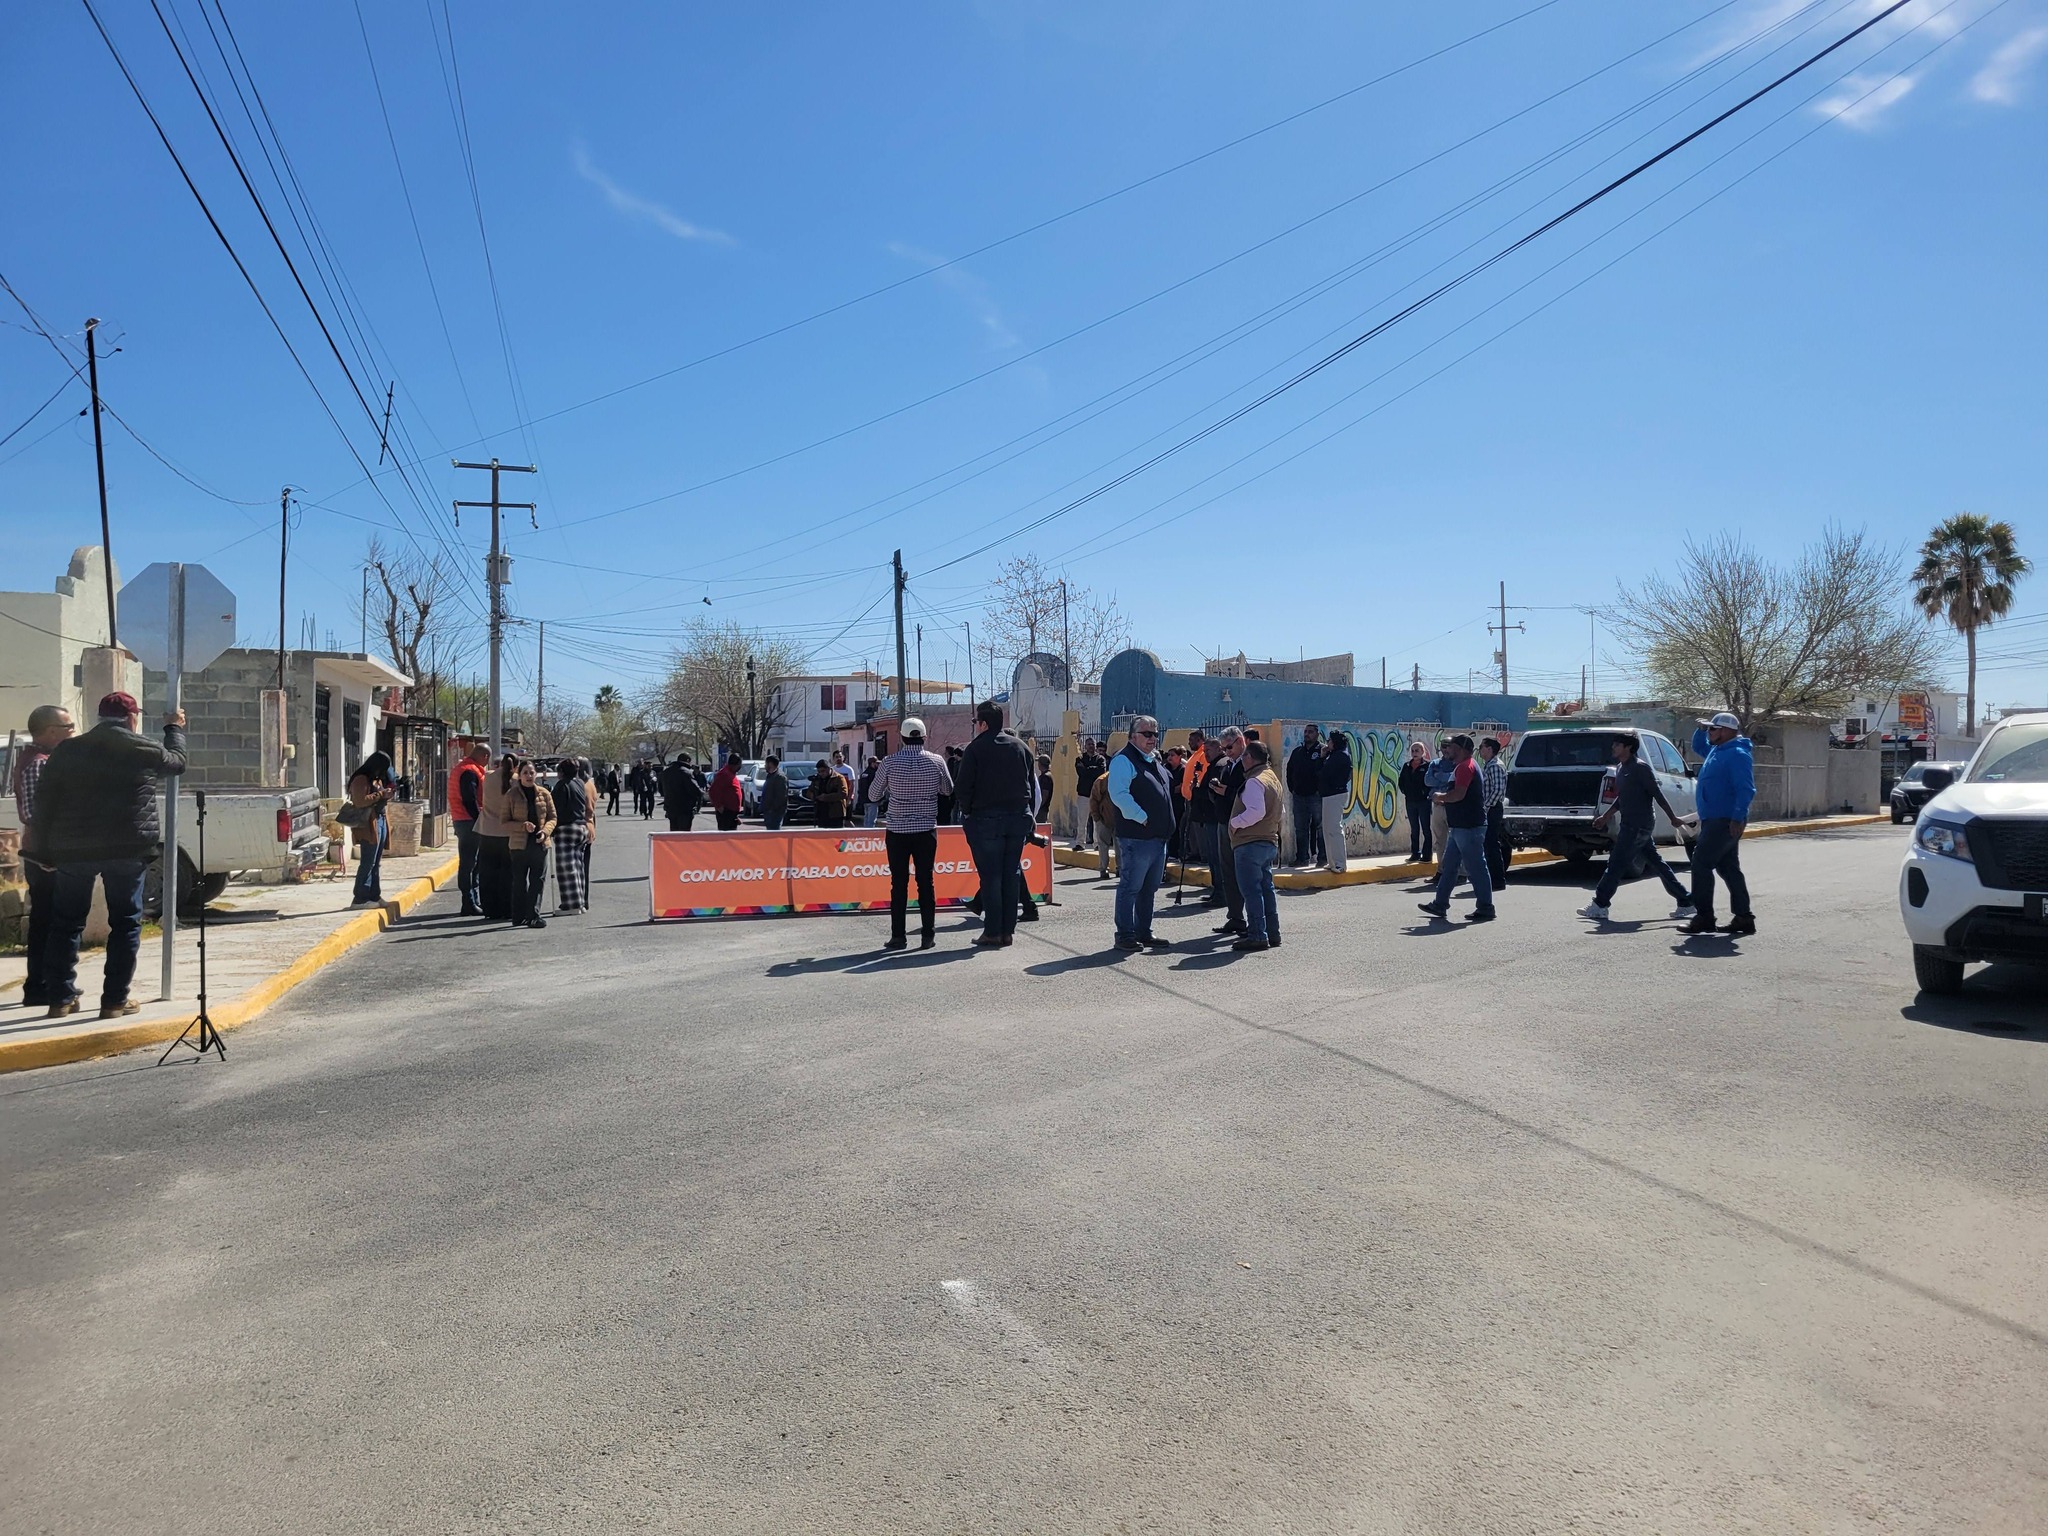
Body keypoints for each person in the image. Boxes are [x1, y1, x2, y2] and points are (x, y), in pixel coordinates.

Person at [32, 692, 187, 1020]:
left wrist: (42, 850)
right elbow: (177, 762)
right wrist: (174, 728)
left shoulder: (67, 750)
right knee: (126, 923)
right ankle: (115, 1000)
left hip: (74, 850)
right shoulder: (142, 748)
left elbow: (45, 803)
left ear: (99, 718)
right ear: (132, 719)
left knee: (66, 923)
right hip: (127, 849)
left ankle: (60, 998)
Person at [1581, 735, 1695, 924]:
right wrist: (1606, 816)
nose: (1613, 747)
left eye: (1617, 744)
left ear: (1628, 747)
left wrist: (1673, 818)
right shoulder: (1620, 768)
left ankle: (1600, 905)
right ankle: (1686, 901)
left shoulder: (1640, 768)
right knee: (1656, 863)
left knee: (1616, 863)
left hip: (1639, 825)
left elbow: (1657, 794)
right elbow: (1622, 798)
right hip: (1630, 823)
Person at [953, 700, 1035, 949]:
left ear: (983, 723)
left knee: (990, 877)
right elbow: (1030, 783)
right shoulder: (1021, 747)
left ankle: (992, 931)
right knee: (1011, 874)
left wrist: (967, 813)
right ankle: (1007, 931)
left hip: (986, 820)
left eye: (977, 722)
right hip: (1018, 818)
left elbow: (963, 787)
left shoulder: (976, 748)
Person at [868, 717, 953, 950]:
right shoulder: (936, 761)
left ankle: (898, 937)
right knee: (926, 882)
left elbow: (873, 795)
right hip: (926, 830)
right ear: (924, 737)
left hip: (897, 831)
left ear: (903, 738)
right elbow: (947, 789)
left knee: (899, 883)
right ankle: (928, 935)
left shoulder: (889, 762)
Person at [11, 703, 76, 1008]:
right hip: (45, 856)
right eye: (68, 727)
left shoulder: (45, 759)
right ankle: (41, 985)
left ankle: (41, 983)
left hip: (46, 852)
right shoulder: (39, 763)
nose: (72, 732)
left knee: (47, 921)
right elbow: (34, 813)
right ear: (51, 732)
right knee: (49, 922)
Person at [1106, 715, 1175, 951]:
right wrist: (1143, 818)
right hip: (1137, 837)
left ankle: (1144, 931)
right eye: (1147, 734)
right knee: (1131, 887)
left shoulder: (1153, 761)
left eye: (1155, 734)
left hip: (1158, 838)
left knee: (1149, 889)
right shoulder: (1123, 761)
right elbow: (1119, 795)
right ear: (1133, 736)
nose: (1153, 738)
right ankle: (1125, 934)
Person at [1686, 712, 1757, 936]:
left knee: (1700, 864)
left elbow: (1745, 788)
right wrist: (1700, 729)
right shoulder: (1717, 750)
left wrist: (1738, 816)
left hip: (1725, 820)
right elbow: (1698, 746)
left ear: (1726, 731)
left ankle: (1704, 916)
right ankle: (1743, 918)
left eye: (1713, 729)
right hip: (1714, 819)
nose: (1710, 733)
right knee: (1728, 868)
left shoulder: (1736, 754)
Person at [1417, 734, 1495, 924]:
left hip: (1468, 827)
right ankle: (1440, 904)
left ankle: (1486, 908)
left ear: (1461, 749)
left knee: (1476, 867)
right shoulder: (1462, 766)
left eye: (1451, 747)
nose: (1447, 750)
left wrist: (1440, 796)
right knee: (1450, 867)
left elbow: (1458, 794)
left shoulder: (1466, 767)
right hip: (1460, 827)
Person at [1228, 739, 1284, 952]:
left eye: (1243, 757)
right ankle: (1272, 932)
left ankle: (1257, 934)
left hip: (1249, 843)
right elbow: (1281, 811)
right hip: (1268, 841)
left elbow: (1256, 812)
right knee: (1266, 889)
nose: (1242, 761)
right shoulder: (1272, 778)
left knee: (1251, 891)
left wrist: (1235, 823)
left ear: (1250, 758)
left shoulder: (1254, 781)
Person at [1196, 728, 1247, 930]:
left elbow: (1251, 793)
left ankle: (1255, 924)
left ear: (1240, 741)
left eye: (1230, 747)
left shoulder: (1250, 762)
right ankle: (1235, 917)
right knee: (1228, 873)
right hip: (1224, 821)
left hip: (1242, 826)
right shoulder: (1229, 764)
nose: (1227, 752)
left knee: (1244, 874)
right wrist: (1217, 791)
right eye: (1225, 748)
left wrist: (1227, 791)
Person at [502, 758, 555, 928]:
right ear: (519, 775)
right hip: (519, 845)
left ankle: (533, 915)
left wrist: (545, 831)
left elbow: (552, 818)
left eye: (532, 772)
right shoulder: (511, 795)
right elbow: (504, 822)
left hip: (539, 844)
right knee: (519, 881)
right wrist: (522, 826)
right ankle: (518, 916)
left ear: (536, 774)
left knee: (537, 880)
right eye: (525, 773)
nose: (529, 776)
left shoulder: (544, 794)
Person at [345, 751, 396, 907]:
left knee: (375, 863)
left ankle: (374, 895)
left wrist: (386, 794)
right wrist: (381, 794)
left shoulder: (375, 779)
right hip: (369, 824)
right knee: (368, 862)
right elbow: (360, 801)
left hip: (379, 819)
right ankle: (360, 898)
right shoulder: (361, 779)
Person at [448, 738, 490, 916]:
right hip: (468, 822)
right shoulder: (469, 772)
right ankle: (469, 901)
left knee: (472, 863)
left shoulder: (464, 768)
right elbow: (469, 799)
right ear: (484, 756)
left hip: (463, 820)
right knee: (469, 864)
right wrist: (480, 820)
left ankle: (473, 899)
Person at [552, 757, 594, 914]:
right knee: (578, 867)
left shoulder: (562, 786)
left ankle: (571, 905)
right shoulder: (579, 784)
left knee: (566, 868)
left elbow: (556, 809)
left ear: (561, 772)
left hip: (566, 828)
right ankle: (580, 902)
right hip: (581, 827)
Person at [1285, 725, 1323, 867]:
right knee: (1300, 828)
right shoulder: (1298, 752)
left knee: (1320, 828)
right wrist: (1292, 788)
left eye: (1310, 732)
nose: (1307, 734)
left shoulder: (1322, 751)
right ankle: (1302, 858)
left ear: (1317, 734)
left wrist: (1320, 790)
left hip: (1316, 796)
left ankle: (1322, 857)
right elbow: (1289, 771)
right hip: (1299, 796)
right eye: (1305, 732)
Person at [1476, 736, 1510, 894]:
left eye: (1482, 747)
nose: (1480, 750)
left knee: (1491, 844)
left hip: (1493, 809)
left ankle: (1497, 880)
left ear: (1489, 749)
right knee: (1488, 844)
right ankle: (1493, 879)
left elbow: (1497, 790)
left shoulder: (1495, 766)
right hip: (1490, 808)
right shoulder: (1489, 765)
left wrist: (1486, 807)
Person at [1317, 728, 1353, 875]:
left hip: (1335, 794)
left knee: (1334, 829)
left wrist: (1321, 759)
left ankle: (1340, 863)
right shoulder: (1334, 755)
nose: (1327, 743)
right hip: (1329, 794)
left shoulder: (1340, 757)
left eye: (1329, 741)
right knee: (1327, 829)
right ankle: (1332, 862)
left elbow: (1324, 774)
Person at [1425, 738, 1457, 871]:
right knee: (1439, 841)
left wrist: (1440, 776)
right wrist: (1445, 778)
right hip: (1437, 806)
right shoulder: (1435, 763)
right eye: (1443, 746)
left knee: (1456, 840)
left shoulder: (1457, 764)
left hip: (1453, 806)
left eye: (1448, 746)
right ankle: (1441, 869)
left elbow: (1453, 779)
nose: (1446, 749)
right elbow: (1427, 780)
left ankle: (1459, 871)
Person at [1397, 741, 1432, 863]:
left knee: (1426, 828)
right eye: (1413, 751)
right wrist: (1405, 791)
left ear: (1423, 752)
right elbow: (1401, 781)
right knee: (1414, 828)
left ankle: (1427, 855)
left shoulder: (1428, 766)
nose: (1414, 753)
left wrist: (1425, 793)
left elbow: (1430, 783)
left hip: (1423, 802)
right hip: (1410, 801)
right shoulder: (1407, 766)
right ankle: (1415, 853)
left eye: (1417, 750)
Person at [1179, 731, 1209, 862]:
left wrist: (1195, 790)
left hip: (1196, 797)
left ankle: (1202, 854)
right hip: (1189, 798)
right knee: (1189, 828)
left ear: (1200, 740)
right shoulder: (1195, 755)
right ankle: (1194, 852)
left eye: (1192, 740)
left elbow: (1201, 774)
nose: (1189, 743)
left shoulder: (1203, 755)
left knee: (1197, 828)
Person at [658, 753, 704, 832]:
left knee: (674, 832)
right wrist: (701, 794)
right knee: (684, 833)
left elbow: (661, 789)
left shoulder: (666, 772)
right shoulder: (686, 772)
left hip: (670, 807)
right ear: (688, 761)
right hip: (685, 808)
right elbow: (695, 790)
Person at [1074, 738, 1106, 849]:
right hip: (1083, 794)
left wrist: (1088, 769)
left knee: (1097, 821)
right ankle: (1080, 843)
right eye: (1088, 744)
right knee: (1081, 820)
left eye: (1092, 744)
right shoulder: (1080, 759)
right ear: (1085, 746)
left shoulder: (1100, 759)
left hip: (1097, 794)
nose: (1091, 746)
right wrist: (1092, 770)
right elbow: (1081, 772)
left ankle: (1097, 844)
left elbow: (1101, 772)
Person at [1088, 767, 1116, 879]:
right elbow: (1094, 799)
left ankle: (1120, 868)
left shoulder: (1124, 778)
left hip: (1119, 818)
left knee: (1119, 845)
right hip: (1103, 818)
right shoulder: (1102, 780)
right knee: (1103, 845)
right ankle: (1104, 869)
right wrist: (1097, 817)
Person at [709, 752, 745, 832]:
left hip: (731, 813)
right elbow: (713, 791)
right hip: (726, 813)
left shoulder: (731, 774)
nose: (740, 767)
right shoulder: (724, 774)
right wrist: (719, 806)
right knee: (727, 838)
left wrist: (735, 815)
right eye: (739, 765)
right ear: (735, 764)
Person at [810, 756, 849, 828]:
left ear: (829, 769)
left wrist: (826, 797)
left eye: (823, 771)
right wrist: (813, 796)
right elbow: (810, 791)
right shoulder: (817, 779)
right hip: (821, 813)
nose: (821, 773)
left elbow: (843, 794)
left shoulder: (839, 778)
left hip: (836, 813)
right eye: (819, 771)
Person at [760, 755, 789, 831]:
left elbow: (781, 797)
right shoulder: (770, 776)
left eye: (766, 764)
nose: (765, 766)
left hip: (775, 813)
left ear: (770, 764)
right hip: (769, 812)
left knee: (774, 834)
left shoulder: (780, 777)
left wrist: (772, 809)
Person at [857, 751, 885, 828]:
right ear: (872, 763)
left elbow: (861, 788)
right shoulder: (875, 774)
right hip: (872, 800)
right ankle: (869, 837)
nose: (878, 765)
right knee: (872, 821)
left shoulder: (864, 773)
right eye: (876, 763)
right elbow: (878, 786)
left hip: (864, 800)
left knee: (866, 819)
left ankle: (864, 834)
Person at [1035, 753, 1055, 830]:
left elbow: (1044, 795)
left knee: (1039, 829)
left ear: (1040, 764)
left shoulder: (1045, 777)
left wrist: (1037, 806)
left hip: (1041, 810)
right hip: (1043, 809)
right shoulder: (1047, 775)